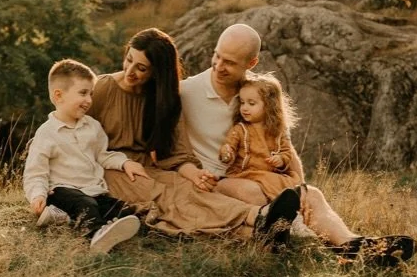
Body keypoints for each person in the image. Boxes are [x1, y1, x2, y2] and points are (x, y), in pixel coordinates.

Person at [178, 23, 416, 265]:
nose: (218, 66)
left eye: (229, 62)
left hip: (263, 179)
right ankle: (313, 244)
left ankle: (354, 244)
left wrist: (299, 189)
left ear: (250, 64)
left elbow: (286, 148)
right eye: (217, 55)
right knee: (254, 192)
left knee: (312, 195)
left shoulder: (257, 94)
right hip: (220, 187)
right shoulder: (186, 91)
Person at [88, 28, 301, 247]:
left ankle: (259, 236)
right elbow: (71, 131)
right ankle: (257, 217)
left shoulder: (165, 98)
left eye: (141, 68)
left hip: (145, 168)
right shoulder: (105, 88)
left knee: (186, 189)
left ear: (156, 72)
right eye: (128, 59)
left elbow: (173, 152)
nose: (129, 71)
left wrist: (194, 174)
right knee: (164, 198)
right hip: (109, 168)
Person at [22, 59, 145, 254]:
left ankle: (68, 219)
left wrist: (124, 163)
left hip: (93, 190)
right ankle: (95, 236)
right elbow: (35, 172)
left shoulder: (92, 126)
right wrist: (37, 194)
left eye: (91, 93)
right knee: (85, 206)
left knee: (122, 210)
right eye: (82, 93)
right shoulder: (46, 134)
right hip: (62, 191)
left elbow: (103, 155)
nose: (89, 100)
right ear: (59, 95)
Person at [217, 72, 303, 203]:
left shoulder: (278, 131)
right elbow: (230, 146)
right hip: (246, 174)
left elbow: (286, 152)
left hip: (270, 174)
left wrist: (280, 160)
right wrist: (226, 153)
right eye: (242, 102)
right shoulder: (240, 129)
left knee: (290, 182)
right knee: (270, 182)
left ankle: (288, 207)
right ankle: (278, 208)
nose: (244, 108)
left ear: (269, 106)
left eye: (251, 103)